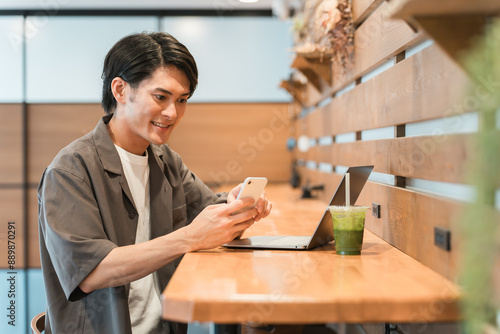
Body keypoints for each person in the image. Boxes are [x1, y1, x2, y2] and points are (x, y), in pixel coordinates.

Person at [38, 32, 271, 334]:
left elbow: (209, 211)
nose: (172, 113)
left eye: (182, 100)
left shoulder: (164, 160)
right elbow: (91, 272)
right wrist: (191, 237)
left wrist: (238, 205)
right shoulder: (70, 171)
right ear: (120, 90)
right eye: (161, 97)